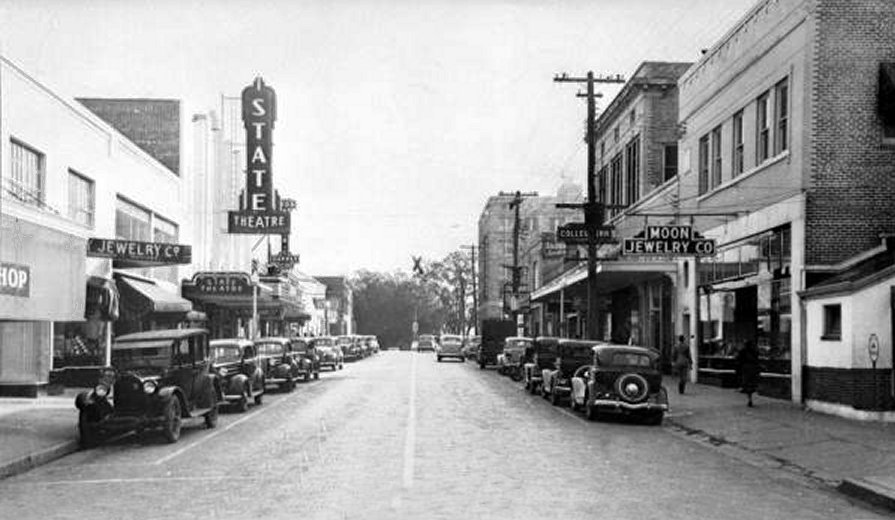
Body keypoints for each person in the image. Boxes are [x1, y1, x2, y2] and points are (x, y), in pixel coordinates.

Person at [736, 340, 761, 407]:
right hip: (753, 369)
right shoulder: (754, 351)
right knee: (752, 383)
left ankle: (749, 398)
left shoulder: (743, 351)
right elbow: (757, 359)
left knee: (747, 383)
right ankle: (751, 395)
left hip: (746, 369)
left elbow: (738, 359)